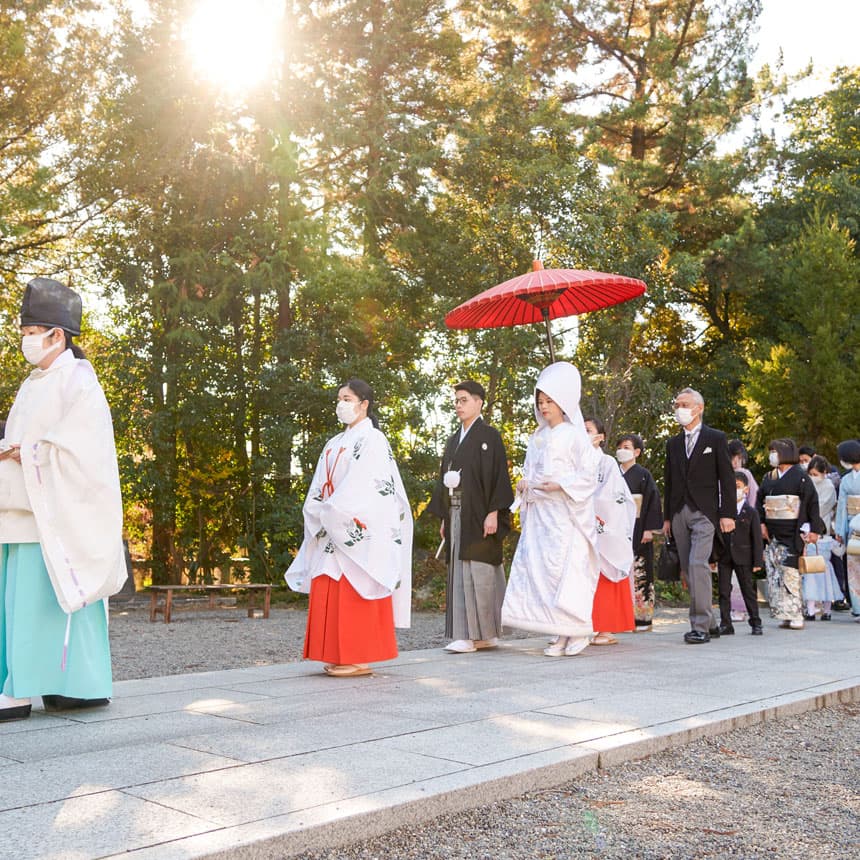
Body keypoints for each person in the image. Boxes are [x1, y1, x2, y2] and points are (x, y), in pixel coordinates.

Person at [0, 277, 126, 721]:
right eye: (24, 332)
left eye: (32, 332)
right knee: (16, 600)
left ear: (57, 334)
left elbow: (85, 448)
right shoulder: (35, 381)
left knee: (41, 596)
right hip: (21, 507)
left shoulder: (79, 380)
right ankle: (41, 684)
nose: (26, 340)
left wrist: (28, 451)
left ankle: (59, 687)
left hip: (55, 512)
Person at [286, 378, 413, 676]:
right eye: (339, 398)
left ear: (364, 404)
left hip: (353, 522)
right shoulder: (334, 443)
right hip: (332, 520)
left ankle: (358, 656)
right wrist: (318, 508)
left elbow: (367, 485)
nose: (341, 404)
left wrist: (336, 511)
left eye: (347, 398)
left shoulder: (374, 440)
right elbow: (321, 483)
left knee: (354, 586)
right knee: (330, 585)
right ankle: (337, 654)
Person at [501, 363, 602, 657]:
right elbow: (531, 471)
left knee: (566, 571)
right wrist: (525, 485)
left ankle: (577, 628)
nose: (544, 407)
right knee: (544, 572)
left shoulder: (575, 436)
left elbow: (588, 472)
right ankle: (559, 631)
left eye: (550, 401)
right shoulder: (538, 436)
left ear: (564, 402)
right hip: (541, 516)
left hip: (565, 513)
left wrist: (560, 484)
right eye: (540, 402)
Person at [428, 380, 514, 653]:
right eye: (456, 400)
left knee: (481, 570)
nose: (458, 405)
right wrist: (444, 516)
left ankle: (485, 634)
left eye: (463, 400)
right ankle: (466, 633)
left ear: (479, 402)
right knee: (459, 572)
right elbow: (445, 478)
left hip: (480, 513)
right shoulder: (454, 439)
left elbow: (498, 476)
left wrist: (494, 512)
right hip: (456, 512)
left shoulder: (489, 435)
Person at [663, 387, 736, 644]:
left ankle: (701, 627)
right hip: (679, 512)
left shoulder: (715, 438)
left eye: (684, 404)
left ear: (699, 408)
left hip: (706, 513)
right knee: (688, 569)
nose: (679, 409)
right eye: (676, 404)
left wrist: (728, 514)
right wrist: (667, 518)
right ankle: (712, 622)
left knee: (698, 565)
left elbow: (727, 479)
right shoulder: (672, 444)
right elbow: (669, 481)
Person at [757, 438, 824, 630]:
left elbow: (812, 503)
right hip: (772, 531)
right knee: (775, 573)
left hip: (793, 530)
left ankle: (796, 614)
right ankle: (783, 613)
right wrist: (761, 522)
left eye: (774, 451)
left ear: (785, 453)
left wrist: (814, 530)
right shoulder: (769, 477)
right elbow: (760, 500)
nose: (772, 455)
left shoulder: (801, 477)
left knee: (791, 573)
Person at [585, 418, 636, 646]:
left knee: (604, 575)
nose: (582, 434)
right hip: (577, 525)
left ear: (600, 437)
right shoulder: (573, 461)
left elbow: (612, 496)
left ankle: (605, 628)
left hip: (602, 525)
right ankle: (571, 628)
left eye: (588, 431)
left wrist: (593, 511)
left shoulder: (606, 463)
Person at [616, 433, 663, 631]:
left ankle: (642, 618)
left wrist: (649, 529)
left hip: (639, 527)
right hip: (617, 529)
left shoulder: (643, 475)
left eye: (627, 447)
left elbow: (652, 501)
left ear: (636, 452)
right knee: (618, 572)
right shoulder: (612, 473)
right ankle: (620, 618)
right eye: (620, 446)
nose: (622, 450)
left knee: (641, 572)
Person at [714, 472, 764, 635]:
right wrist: (713, 557)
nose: (733, 490)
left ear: (746, 490)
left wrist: (757, 561)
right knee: (723, 590)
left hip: (744, 556)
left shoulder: (751, 512)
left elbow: (757, 538)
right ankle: (726, 623)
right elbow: (716, 535)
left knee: (747, 590)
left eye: (737, 487)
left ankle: (755, 622)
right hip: (724, 555)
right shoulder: (721, 512)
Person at [803, 455, 844, 620]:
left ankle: (825, 609)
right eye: (810, 474)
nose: (813, 477)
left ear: (824, 472)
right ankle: (812, 609)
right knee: (811, 575)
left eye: (815, 474)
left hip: (822, 531)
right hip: (808, 530)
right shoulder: (807, 485)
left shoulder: (828, 487)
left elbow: (822, 508)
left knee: (822, 574)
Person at [833, 439, 860, 618]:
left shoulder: (846, 480)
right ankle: (858, 607)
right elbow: (842, 506)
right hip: (853, 527)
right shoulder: (846, 479)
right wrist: (840, 532)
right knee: (853, 568)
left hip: (853, 524)